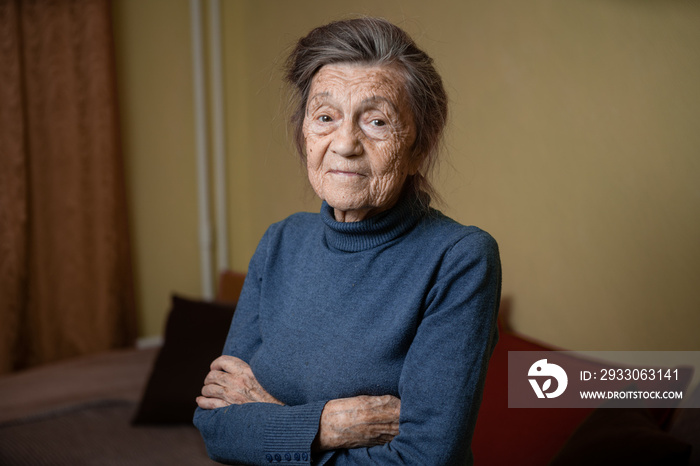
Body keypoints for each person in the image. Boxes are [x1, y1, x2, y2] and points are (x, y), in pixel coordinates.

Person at [194, 17, 501, 465]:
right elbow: (216, 430)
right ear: (304, 133)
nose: (345, 144)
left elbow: (423, 460)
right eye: (325, 117)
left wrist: (271, 424)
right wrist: (328, 426)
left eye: (376, 121)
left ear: (420, 145)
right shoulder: (280, 242)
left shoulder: (460, 259)